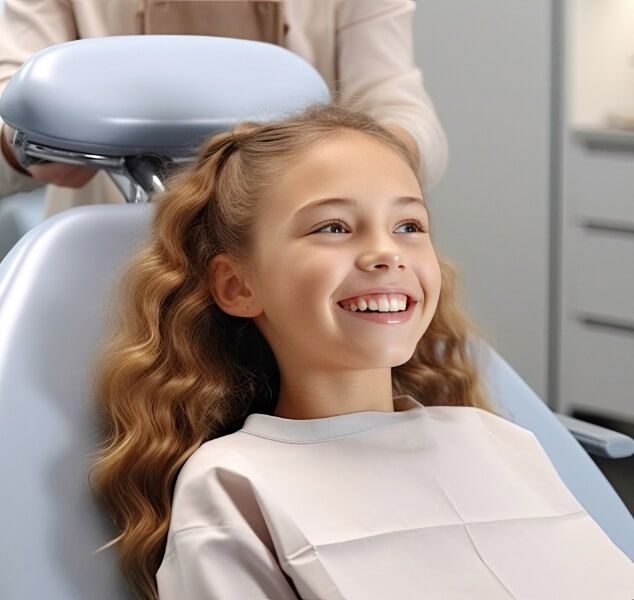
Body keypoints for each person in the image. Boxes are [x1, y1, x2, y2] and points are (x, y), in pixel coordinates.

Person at [90, 104, 633, 600]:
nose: (385, 252)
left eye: (409, 225)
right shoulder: (234, 486)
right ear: (237, 286)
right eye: (333, 227)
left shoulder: (495, 441)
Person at [0, 0, 448, 216]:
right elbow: (12, 91)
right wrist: (39, 142)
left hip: (285, 254)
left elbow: (398, 107)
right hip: (111, 263)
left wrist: (360, 163)